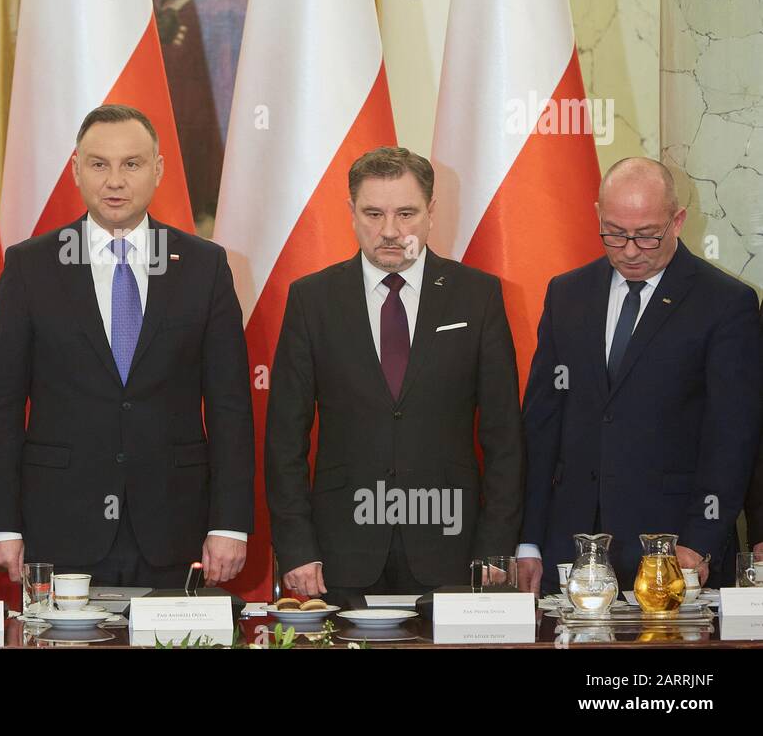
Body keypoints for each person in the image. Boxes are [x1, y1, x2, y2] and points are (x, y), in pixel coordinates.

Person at [0, 104, 254, 588]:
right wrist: (0, 521)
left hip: (176, 526)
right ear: (76, 169)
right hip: (60, 525)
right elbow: (0, 405)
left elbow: (230, 407)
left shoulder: (204, 267)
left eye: (132, 164)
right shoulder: (30, 267)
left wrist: (228, 523)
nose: (115, 180)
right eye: (99, 164)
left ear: (158, 170)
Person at [266, 146, 523, 600]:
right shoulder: (312, 300)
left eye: (406, 213)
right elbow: (285, 439)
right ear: (350, 212)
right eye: (373, 213)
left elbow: (504, 438)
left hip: (452, 547)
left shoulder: (476, 297)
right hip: (340, 552)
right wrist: (296, 547)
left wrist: (496, 549)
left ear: (430, 213)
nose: (390, 231)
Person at [518, 158, 762, 594]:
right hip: (572, 551)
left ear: (678, 221)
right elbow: (542, 425)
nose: (630, 250)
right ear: (597, 215)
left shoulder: (726, 304)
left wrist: (699, 542)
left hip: (673, 552)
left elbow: (732, 439)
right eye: (614, 233)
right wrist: (529, 541)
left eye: (647, 236)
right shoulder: (566, 294)